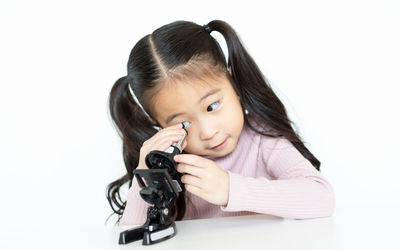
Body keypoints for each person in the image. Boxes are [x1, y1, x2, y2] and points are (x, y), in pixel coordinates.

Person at [107, 20, 334, 225]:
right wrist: (145, 175)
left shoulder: (262, 138)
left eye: (212, 106)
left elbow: (321, 197)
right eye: (184, 123)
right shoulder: (168, 163)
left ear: (232, 81)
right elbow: (134, 235)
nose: (207, 132)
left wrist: (229, 188)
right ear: (157, 124)